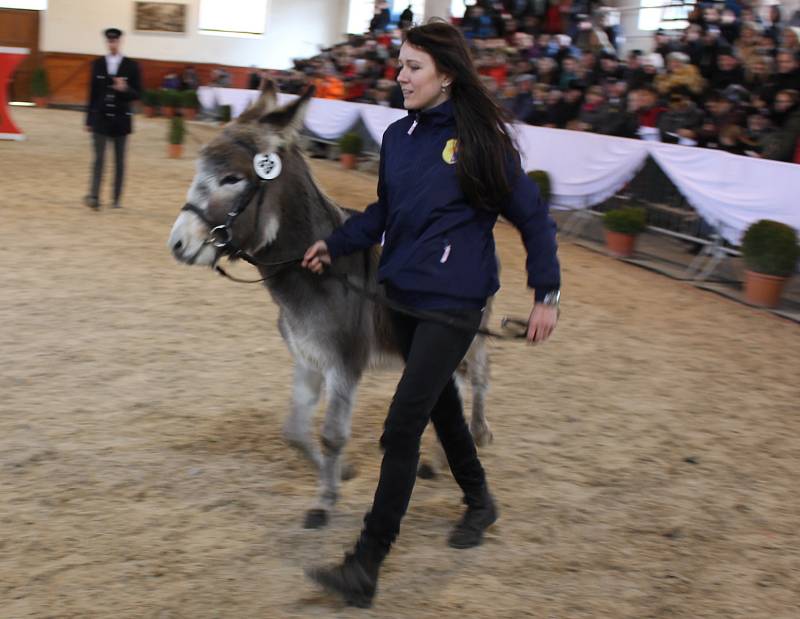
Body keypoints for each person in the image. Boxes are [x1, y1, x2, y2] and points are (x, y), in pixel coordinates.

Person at [302, 20, 560, 608]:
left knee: (400, 426)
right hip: (403, 299)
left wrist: (547, 294)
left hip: (456, 303)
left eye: (413, 67)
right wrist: (335, 244)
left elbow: (534, 217)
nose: (400, 76)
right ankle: (480, 501)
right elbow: (383, 215)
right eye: (399, 65)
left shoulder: (481, 141)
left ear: (445, 75)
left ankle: (366, 561)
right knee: (441, 409)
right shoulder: (398, 137)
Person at [84, 27, 141, 210]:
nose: (112, 44)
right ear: (107, 42)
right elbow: (92, 93)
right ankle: (94, 196)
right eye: (109, 41)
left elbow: (138, 94)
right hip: (100, 118)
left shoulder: (131, 66)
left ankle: (116, 199)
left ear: (120, 42)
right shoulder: (98, 64)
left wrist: (124, 89)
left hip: (121, 120)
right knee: (99, 159)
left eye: (115, 41)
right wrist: (88, 119)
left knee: (119, 161)